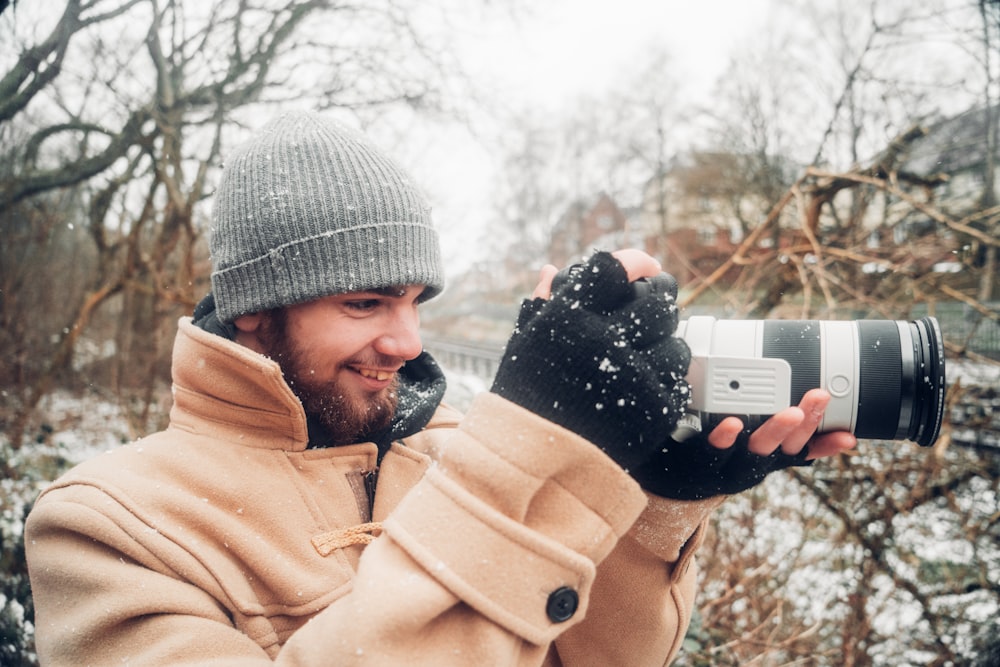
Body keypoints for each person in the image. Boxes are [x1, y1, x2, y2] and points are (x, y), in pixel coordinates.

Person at [24, 111, 856, 666]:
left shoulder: (451, 447)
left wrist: (650, 506)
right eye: (364, 302)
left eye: (416, 301)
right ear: (254, 311)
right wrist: (522, 453)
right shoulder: (106, 526)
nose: (408, 341)